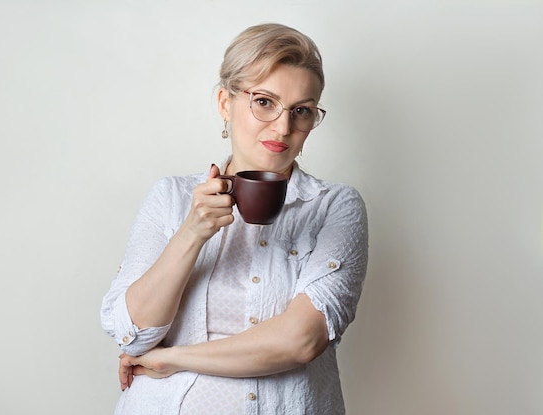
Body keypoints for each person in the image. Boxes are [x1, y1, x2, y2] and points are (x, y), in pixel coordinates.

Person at [101, 22, 368, 414]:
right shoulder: (171, 198)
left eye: (302, 111)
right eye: (264, 101)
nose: (283, 126)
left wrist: (173, 358)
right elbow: (132, 333)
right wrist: (192, 233)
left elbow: (301, 341)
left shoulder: (335, 207)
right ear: (226, 103)